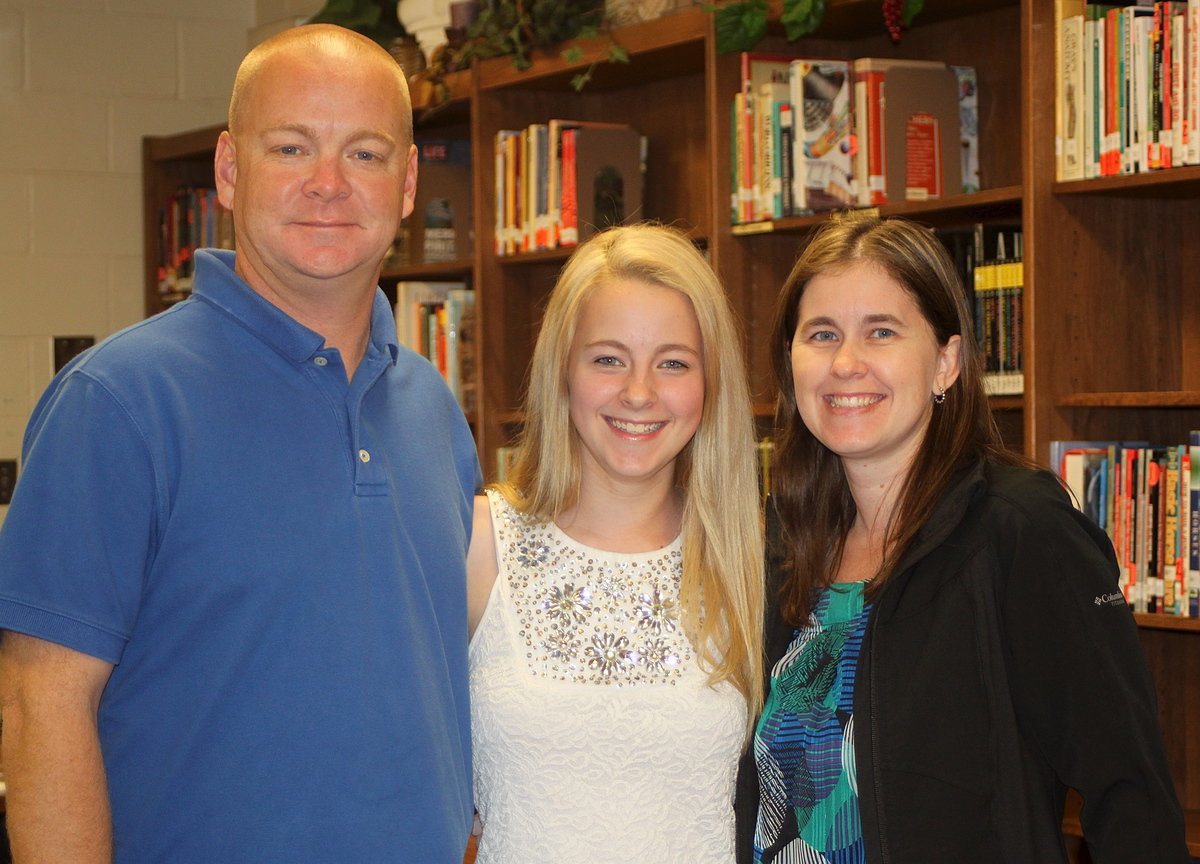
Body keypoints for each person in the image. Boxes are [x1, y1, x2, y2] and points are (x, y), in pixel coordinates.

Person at [0, 24, 479, 864]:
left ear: (408, 184)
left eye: (365, 154)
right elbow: (41, 706)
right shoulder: (118, 402)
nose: (328, 184)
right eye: (291, 147)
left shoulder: (432, 409)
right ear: (228, 170)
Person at [735, 215, 1189, 864]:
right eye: (822, 334)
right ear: (790, 360)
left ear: (946, 363)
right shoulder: (784, 539)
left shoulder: (1020, 529)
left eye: (881, 331)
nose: (845, 363)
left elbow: (1130, 795)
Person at [466, 223, 764, 862]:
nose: (638, 392)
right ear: (562, 371)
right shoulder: (478, 545)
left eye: (673, 363)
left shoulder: (749, 560)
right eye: (608, 359)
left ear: (711, 384)